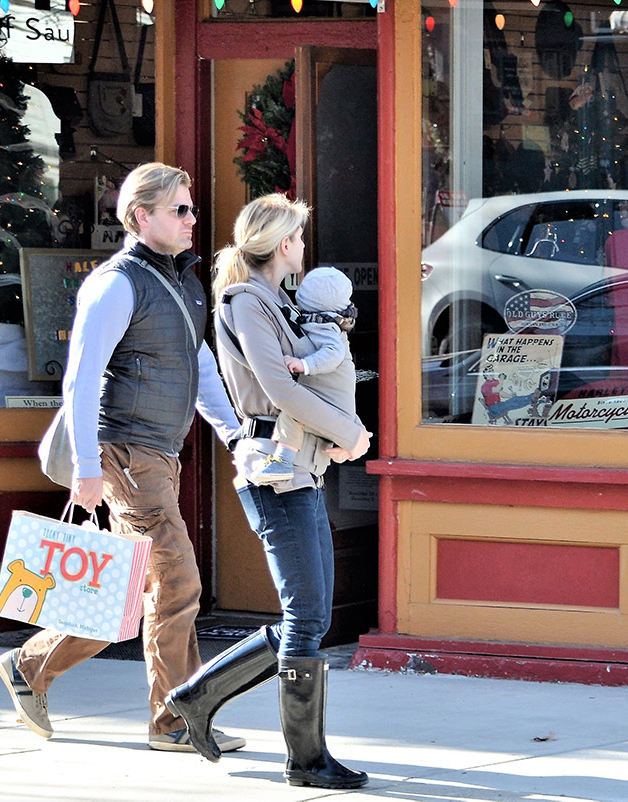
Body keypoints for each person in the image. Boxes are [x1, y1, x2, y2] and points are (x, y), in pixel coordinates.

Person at [0, 163, 245, 753]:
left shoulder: (182, 281)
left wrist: (233, 433)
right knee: (178, 580)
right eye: (179, 210)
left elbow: (199, 364)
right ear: (140, 217)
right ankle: (176, 718)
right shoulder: (115, 283)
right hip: (125, 453)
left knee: (131, 588)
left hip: (157, 453)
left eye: (191, 208)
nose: (191, 219)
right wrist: (85, 468)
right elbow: (80, 381)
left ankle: (31, 668)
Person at [165, 194, 372, 789]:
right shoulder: (245, 301)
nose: (304, 250)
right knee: (305, 617)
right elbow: (279, 388)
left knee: (310, 615)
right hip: (275, 470)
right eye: (300, 240)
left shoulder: (276, 301)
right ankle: (305, 761)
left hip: (299, 466)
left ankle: (198, 698)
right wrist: (351, 431)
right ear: (284, 244)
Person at [251, 265, 359, 484]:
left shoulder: (326, 326)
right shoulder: (323, 320)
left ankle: (282, 461)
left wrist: (304, 364)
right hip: (335, 401)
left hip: (331, 400)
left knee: (295, 413)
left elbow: (333, 354)